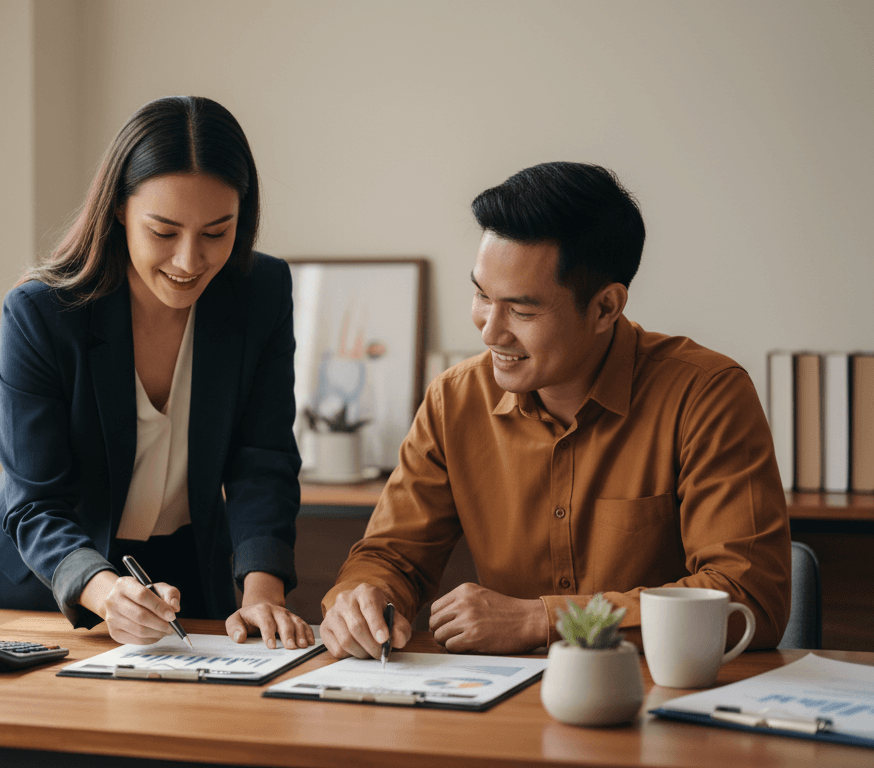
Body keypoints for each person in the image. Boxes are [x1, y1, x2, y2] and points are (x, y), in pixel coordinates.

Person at [320, 161, 791, 658]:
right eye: (482, 295)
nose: (489, 331)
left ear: (606, 307)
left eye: (522, 311)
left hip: (654, 699)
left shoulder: (705, 395)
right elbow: (392, 557)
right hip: (503, 704)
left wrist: (542, 619)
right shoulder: (454, 399)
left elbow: (748, 597)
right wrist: (365, 598)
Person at [0, 96, 313, 650]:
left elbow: (263, 461)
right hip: (37, 590)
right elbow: (35, 501)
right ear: (118, 210)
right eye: (163, 231)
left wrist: (262, 595)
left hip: (182, 588)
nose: (189, 261)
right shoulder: (42, 314)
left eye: (216, 232)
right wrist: (104, 590)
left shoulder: (261, 294)